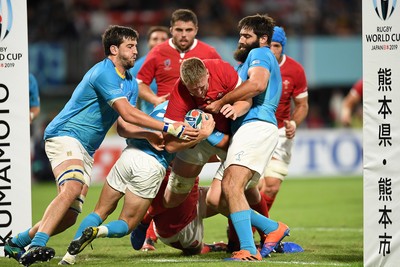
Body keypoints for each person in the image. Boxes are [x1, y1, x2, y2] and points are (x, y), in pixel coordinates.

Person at [3, 25, 197, 267]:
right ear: (114, 49)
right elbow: (127, 111)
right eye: (130, 46)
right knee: (72, 188)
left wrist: (147, 135)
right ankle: (37, 245)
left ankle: (18, 241)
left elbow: (124, 125)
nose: (136, 51)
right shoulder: (104, 72)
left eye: (136, 46)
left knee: (70, 217)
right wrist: (167, 127)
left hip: (86, 148)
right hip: (65, 134)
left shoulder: (130, 83)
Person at [58, 102, 214, 264]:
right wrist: (202, 135)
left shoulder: (162, 106)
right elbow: (170, 147)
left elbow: (123, 126)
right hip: (150, 166)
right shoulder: (190, 116)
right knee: (127, 223)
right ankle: (98, 231)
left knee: (99, 212)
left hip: (128, 155)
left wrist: (146, 134)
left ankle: (69, 256)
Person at [130, 57, 249, 251]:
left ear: (208, 74)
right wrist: (202, 135)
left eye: (203, 87)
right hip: (200, 138)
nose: (200, 94)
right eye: (194, 90)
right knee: (171, 199)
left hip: (230, 136)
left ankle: (256, 238)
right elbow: (169, 144)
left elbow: (247, 99)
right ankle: (147, 216)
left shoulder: (222, 69)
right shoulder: (179, 92)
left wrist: (234, 107)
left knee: (243, 190)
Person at [205, 14, 290, 261]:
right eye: (240, 35)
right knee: (216, 197)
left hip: (257, 127)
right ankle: (272, 227)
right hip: (247, 129)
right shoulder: (244, 64)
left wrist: (222, 101)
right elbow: (247, 97)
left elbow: (257, 85)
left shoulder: (260, 54)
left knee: (232, 186)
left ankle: (248, 249)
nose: (241, 40)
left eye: (247, 36)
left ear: (263, 39)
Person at [136, 9, 221, 108]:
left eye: (188, 30)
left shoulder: (209, 52)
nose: (184, 35)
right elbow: (140, 83)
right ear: (171, 30)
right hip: (165, 109)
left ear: (196, 30)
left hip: (199, 111)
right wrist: (155, 99)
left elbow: (223, 80)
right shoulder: (157, 52)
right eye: (179, 30)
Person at [131, 174, 228, 255]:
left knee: (229, 196)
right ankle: (147, 231)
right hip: (177, 226)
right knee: (194, 249)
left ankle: (236, 243)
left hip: (191, 200)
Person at [129, 26, 170, 114]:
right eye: (155, 39)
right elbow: (132, 100)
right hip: (149, 120)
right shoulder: (136, 67)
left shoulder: (178, 63)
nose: (159, 42)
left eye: (163, 39)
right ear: (148, 42)